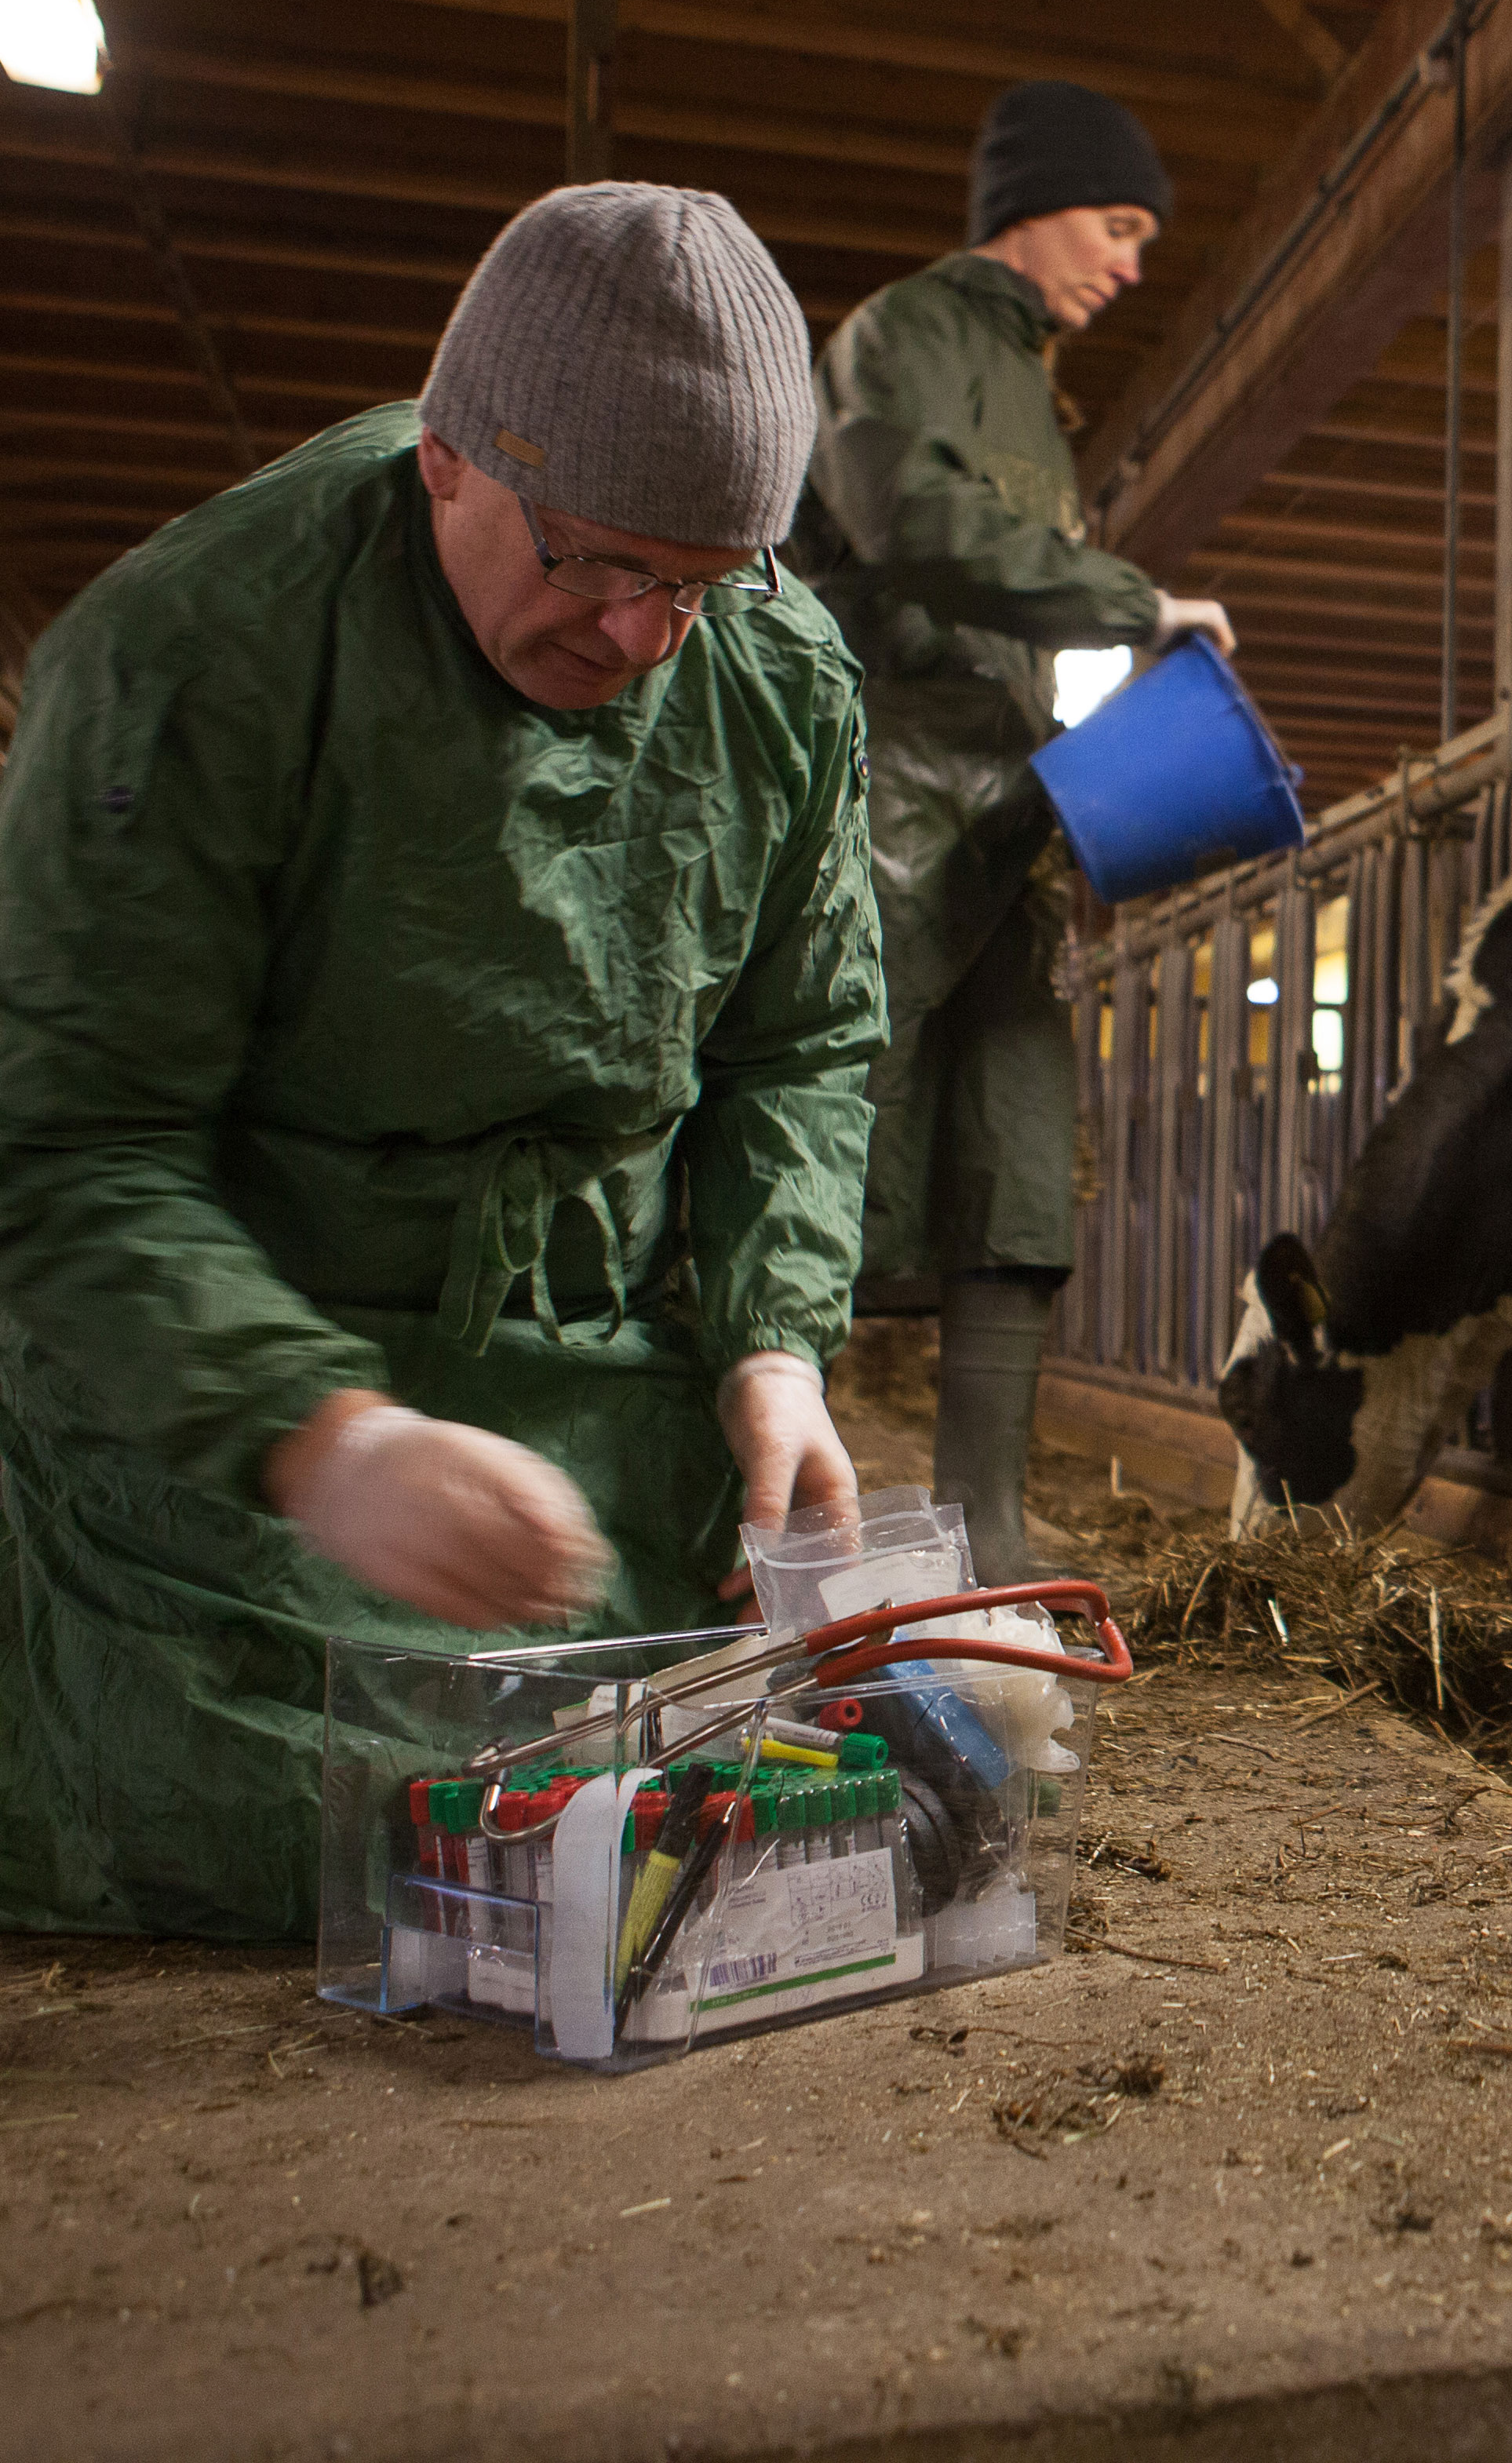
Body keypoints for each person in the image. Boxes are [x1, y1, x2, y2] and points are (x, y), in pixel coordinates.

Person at [0, 183, 885, 1941]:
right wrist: (321, 1438)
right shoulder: (207, 647)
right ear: (452, 462)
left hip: (589, 1364)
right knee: (308, 1816)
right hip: (241, 1384)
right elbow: (71, 1143)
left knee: (762, 1762)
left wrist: (774, 1346)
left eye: (702, 583)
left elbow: (803, 1044)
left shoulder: (776, 679)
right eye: (599, 561)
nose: (644, 638)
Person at [798, 78, 1230, 1578]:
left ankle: (986, 1530)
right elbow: (898, 512)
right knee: (823, 1132)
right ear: (1027, 209)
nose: (1129, 263)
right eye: (1115, 226)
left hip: (1003, 821)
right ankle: (778, 1512)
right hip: (884, 801)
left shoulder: (1037, 393)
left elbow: (1007, 608)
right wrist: (1128, 600)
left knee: (1017, 1150)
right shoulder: (905, 336)